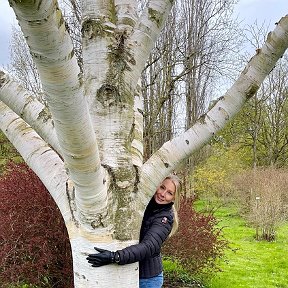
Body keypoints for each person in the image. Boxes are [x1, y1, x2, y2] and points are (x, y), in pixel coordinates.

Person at [86, 174, 181, 288]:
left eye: (170, 193)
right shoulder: (145, 202)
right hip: (128, 272)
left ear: (174, 198)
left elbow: (149, 246)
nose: (162, 194)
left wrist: (114, 257)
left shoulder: (164, 219)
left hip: (147, 280)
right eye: (162, 187)